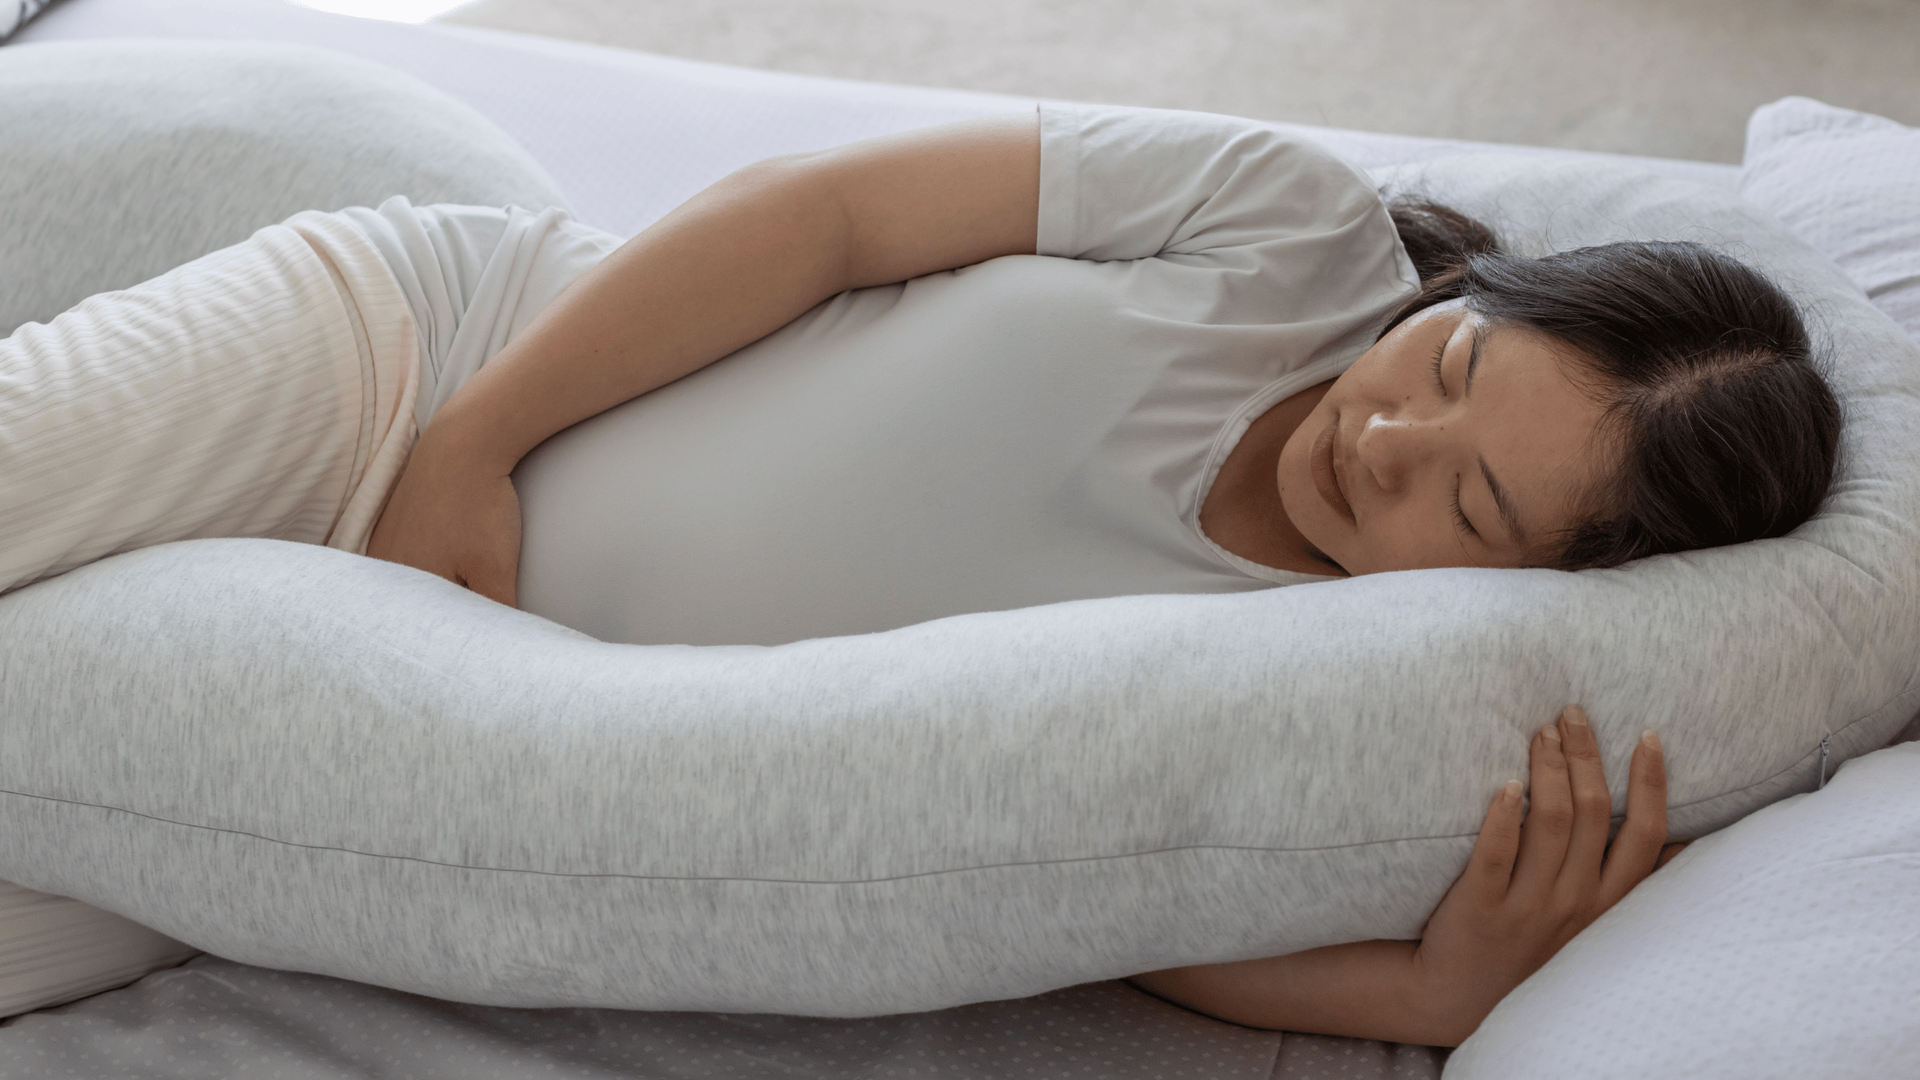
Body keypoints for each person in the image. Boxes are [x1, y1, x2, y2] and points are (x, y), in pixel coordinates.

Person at [0, 106, 1838, 1044]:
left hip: (384, 704)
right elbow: (824, 213)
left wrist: (1418, 999)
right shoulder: (1290, 228)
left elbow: (1080, 895)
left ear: (1531, 592)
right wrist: (471, 444)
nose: (1386, 439)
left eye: (1476, 508)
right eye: (1450, 364)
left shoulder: (1309, 664)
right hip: (412, 370)